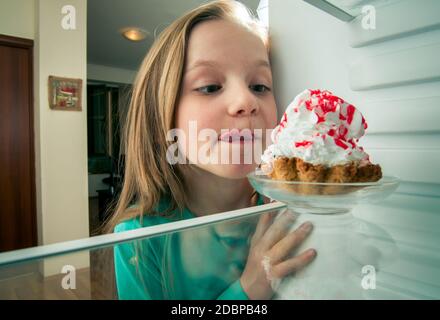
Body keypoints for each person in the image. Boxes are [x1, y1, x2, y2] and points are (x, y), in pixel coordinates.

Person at [105, 0, 316, 300]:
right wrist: (247, 292)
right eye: (209, 87)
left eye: (259, 86)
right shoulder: (139, 239)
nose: (246, 100)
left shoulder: (288, 209)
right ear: (162, 113)